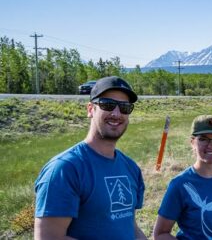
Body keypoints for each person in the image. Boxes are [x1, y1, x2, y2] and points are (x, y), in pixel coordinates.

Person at [34, 76, 146, 239]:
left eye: (124, 107)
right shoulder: (65, 169)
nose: (116, 113)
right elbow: (49, 237)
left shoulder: (130, 167)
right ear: (90, 109)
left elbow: (130, 227)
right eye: (107, 105)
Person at [153, 115, 212, 240]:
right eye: (203, 139)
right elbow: (160, 234)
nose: (211, 145)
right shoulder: (180, 184)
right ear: (192, 142)